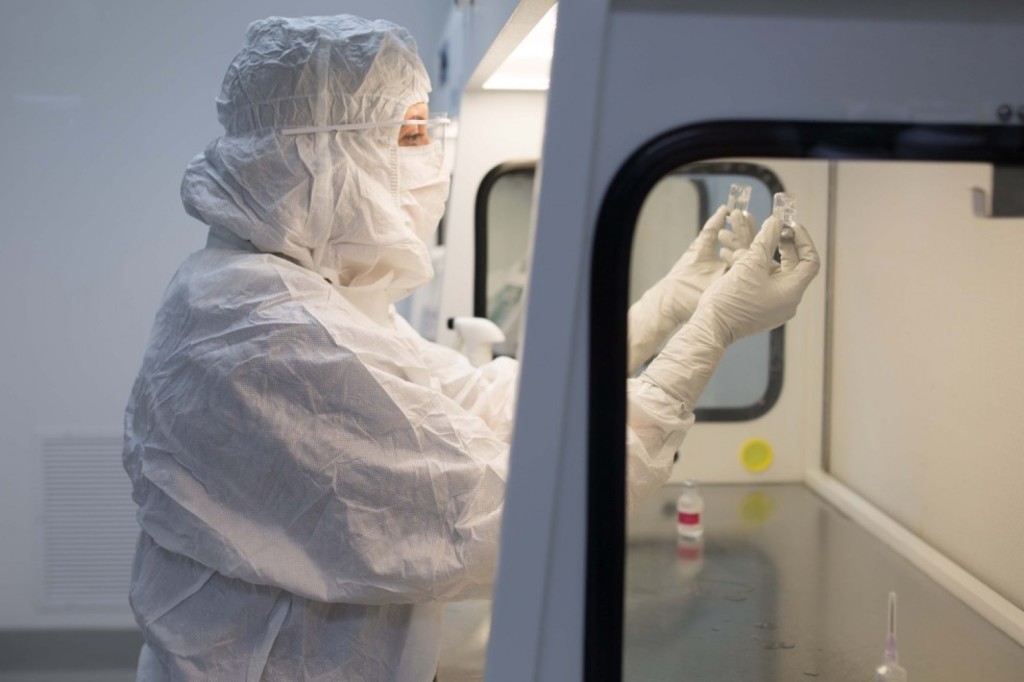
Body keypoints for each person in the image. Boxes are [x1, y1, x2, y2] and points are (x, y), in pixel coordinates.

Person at [123, 14, 820, 681]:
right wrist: (710, 334)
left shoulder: (295, 294)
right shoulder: (268, 335)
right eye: (413, 134)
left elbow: (478, 403)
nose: (432, 164)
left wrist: (663, 310)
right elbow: (517, 519)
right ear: (323, 153)